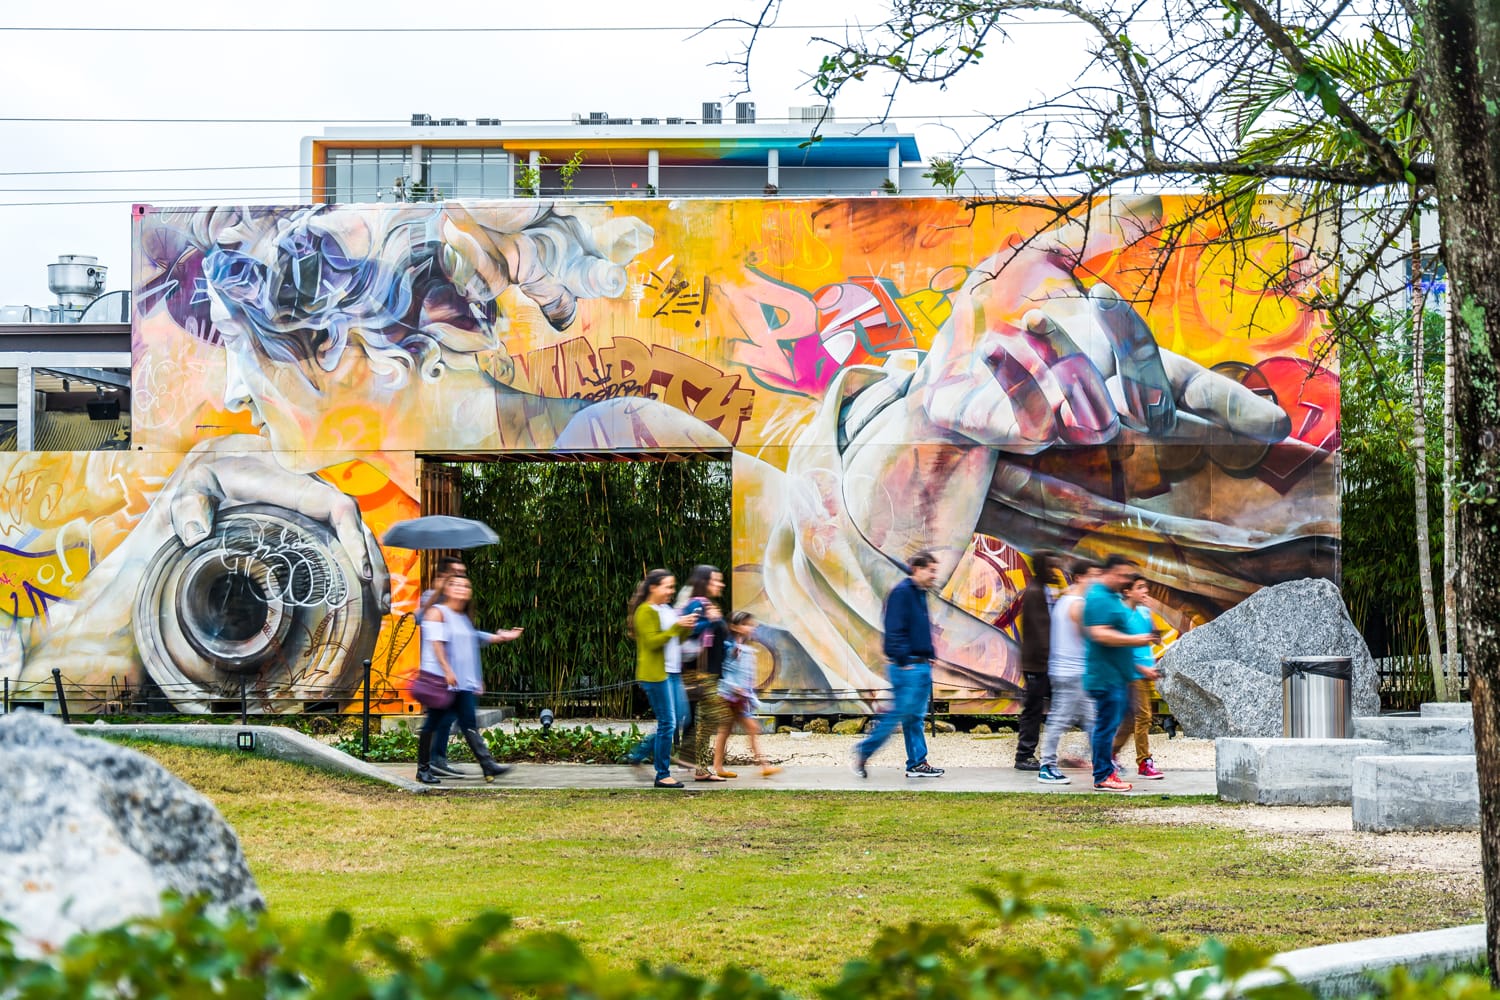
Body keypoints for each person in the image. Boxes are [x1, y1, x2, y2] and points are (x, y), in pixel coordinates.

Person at [415, 573, 523, 784]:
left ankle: (487, 764)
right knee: (432, 724)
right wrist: (447, 670)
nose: (461, 588)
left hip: (462, 683)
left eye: (465, 585)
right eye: (455, 584)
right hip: (442, 681)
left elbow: (470, 647)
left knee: (469, 723)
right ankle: (423, 769)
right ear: (445, 589)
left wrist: (476, 678)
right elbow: (436, 643)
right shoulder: (438, 612)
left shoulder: (463, 617)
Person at [850, 551, 945, 779]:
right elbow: (894, 631)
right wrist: (903, 661)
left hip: (919, 664)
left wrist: (929, 654)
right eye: (930, 570)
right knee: (899, 715)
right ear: (917, 569)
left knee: (914, 718)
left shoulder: (919, 594)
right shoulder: (902, 594)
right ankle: (864, 750)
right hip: (908, 666)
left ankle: (917, 763)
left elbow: (918, 629)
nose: (934, 575)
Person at [1082, 555, 1159, 792]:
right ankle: (1103, 774)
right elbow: (1099, 633)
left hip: (1118, 676)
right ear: (1111, 572)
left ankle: (1107, 768)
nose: (1126, 579)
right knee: (1106, 725)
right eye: (1123, 575)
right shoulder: (1098, 597)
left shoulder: (1111, 596)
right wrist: (1135, 639)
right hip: (1105, 676)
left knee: (1118, 722)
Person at [623, 569, 700, 788]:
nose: (671, 591)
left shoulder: (666, 609)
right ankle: (662, 774)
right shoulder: (645, 612)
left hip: (673, 673)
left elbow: (676, 638)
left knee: (678, 719)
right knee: (668, 723)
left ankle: (637, 756)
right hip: (656, 675)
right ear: (653, 587)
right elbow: (654, 643)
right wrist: (678, 625)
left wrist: (687, 626)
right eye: (667, 586)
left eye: (672, 587)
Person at [1036, 559, 1102, 785]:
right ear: (1080, 577)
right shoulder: (1076, 604)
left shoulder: (1065, 601)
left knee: (1093, 719)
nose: (1097, 580)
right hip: (1072, 672)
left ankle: (1104, 763)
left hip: (1072, 671)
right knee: (1061, 720)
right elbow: (1090, 636)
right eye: (1093, 575)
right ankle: (1047, 765)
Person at [679, 565, 731, 782]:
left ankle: (697, 766)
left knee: (708, 720)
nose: (721, 584)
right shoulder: (697, 604)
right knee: (718, 717)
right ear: (704, 582)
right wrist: (710, 620)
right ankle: (685, 757)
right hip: (700, 673)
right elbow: (685, 631)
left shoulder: (706, 604)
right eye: (716, 580)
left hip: (711, 672)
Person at [713, 611, 780, 778]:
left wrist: (749, 695)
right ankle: (763, 765)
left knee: (729, 731)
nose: (750, 628)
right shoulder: (731, 648)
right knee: (744, 729)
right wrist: (736, 688)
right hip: (729, 697)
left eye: (751, 624)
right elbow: (724, 673)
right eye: (746, 624)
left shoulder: (744, 648)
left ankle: (720, 766)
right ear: (735, 627)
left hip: (739, 698)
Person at [1114, 575, 1165, 780]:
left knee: (1128, 721)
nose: (1145, 591)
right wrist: (1143, 670)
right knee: (1143, 717)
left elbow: (1155, 637)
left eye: (1146, 587)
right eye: (1140, 587)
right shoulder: (1121, 615)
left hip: (1146, 672)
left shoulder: (1144, 611)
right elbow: (1120, 651)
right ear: (1127, 592)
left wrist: (1153, 619)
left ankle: (1110, 754)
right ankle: (1144, 762)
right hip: (1132, 673)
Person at [421, 555, 466, 778]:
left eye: (462, 573)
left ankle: (435, 761)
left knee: (444, 718)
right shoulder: (431, 599)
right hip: (435, 671)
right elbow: (419, 618)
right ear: (444, 575)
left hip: (450, 671)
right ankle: (429, 764)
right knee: (436, 719)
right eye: (456, 573)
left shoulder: (455, 602)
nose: (460, 577)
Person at [1014, 552, 1056, 771]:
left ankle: (1030, 753)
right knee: (1033, 709)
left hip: (1039, 663)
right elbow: (1040, 632)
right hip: (1037, 665)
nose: (1054, 572)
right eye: (1050, 567)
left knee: (1042, 708)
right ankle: (1024, 755)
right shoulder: (1035, 592)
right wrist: (1048, 659)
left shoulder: (1042, 590)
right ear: (1041, 567)